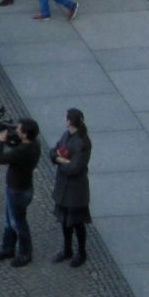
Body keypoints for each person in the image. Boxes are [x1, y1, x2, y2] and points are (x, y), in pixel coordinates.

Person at [0, 114, 41, 267]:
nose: (16, 130)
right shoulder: (34, 144)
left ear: (25, 134)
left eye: (19, 129)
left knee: (17, 222)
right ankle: (7, 248)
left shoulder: (23, 151)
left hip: (17, 190)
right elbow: (16, 145)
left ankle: (25, 253)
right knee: (10, 220)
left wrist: (0, 140)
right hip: (21, 187)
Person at [51, 108, 92, 266]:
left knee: (76, 222)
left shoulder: (82, 142)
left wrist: (59, 160)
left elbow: (75, 167)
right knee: (64, 221)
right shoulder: (66, 135)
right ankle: (67, 249)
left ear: (69, 121)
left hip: (76, 190)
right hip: (64, 187)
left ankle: (81, 253)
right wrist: (61, 159)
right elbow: (54, 152)